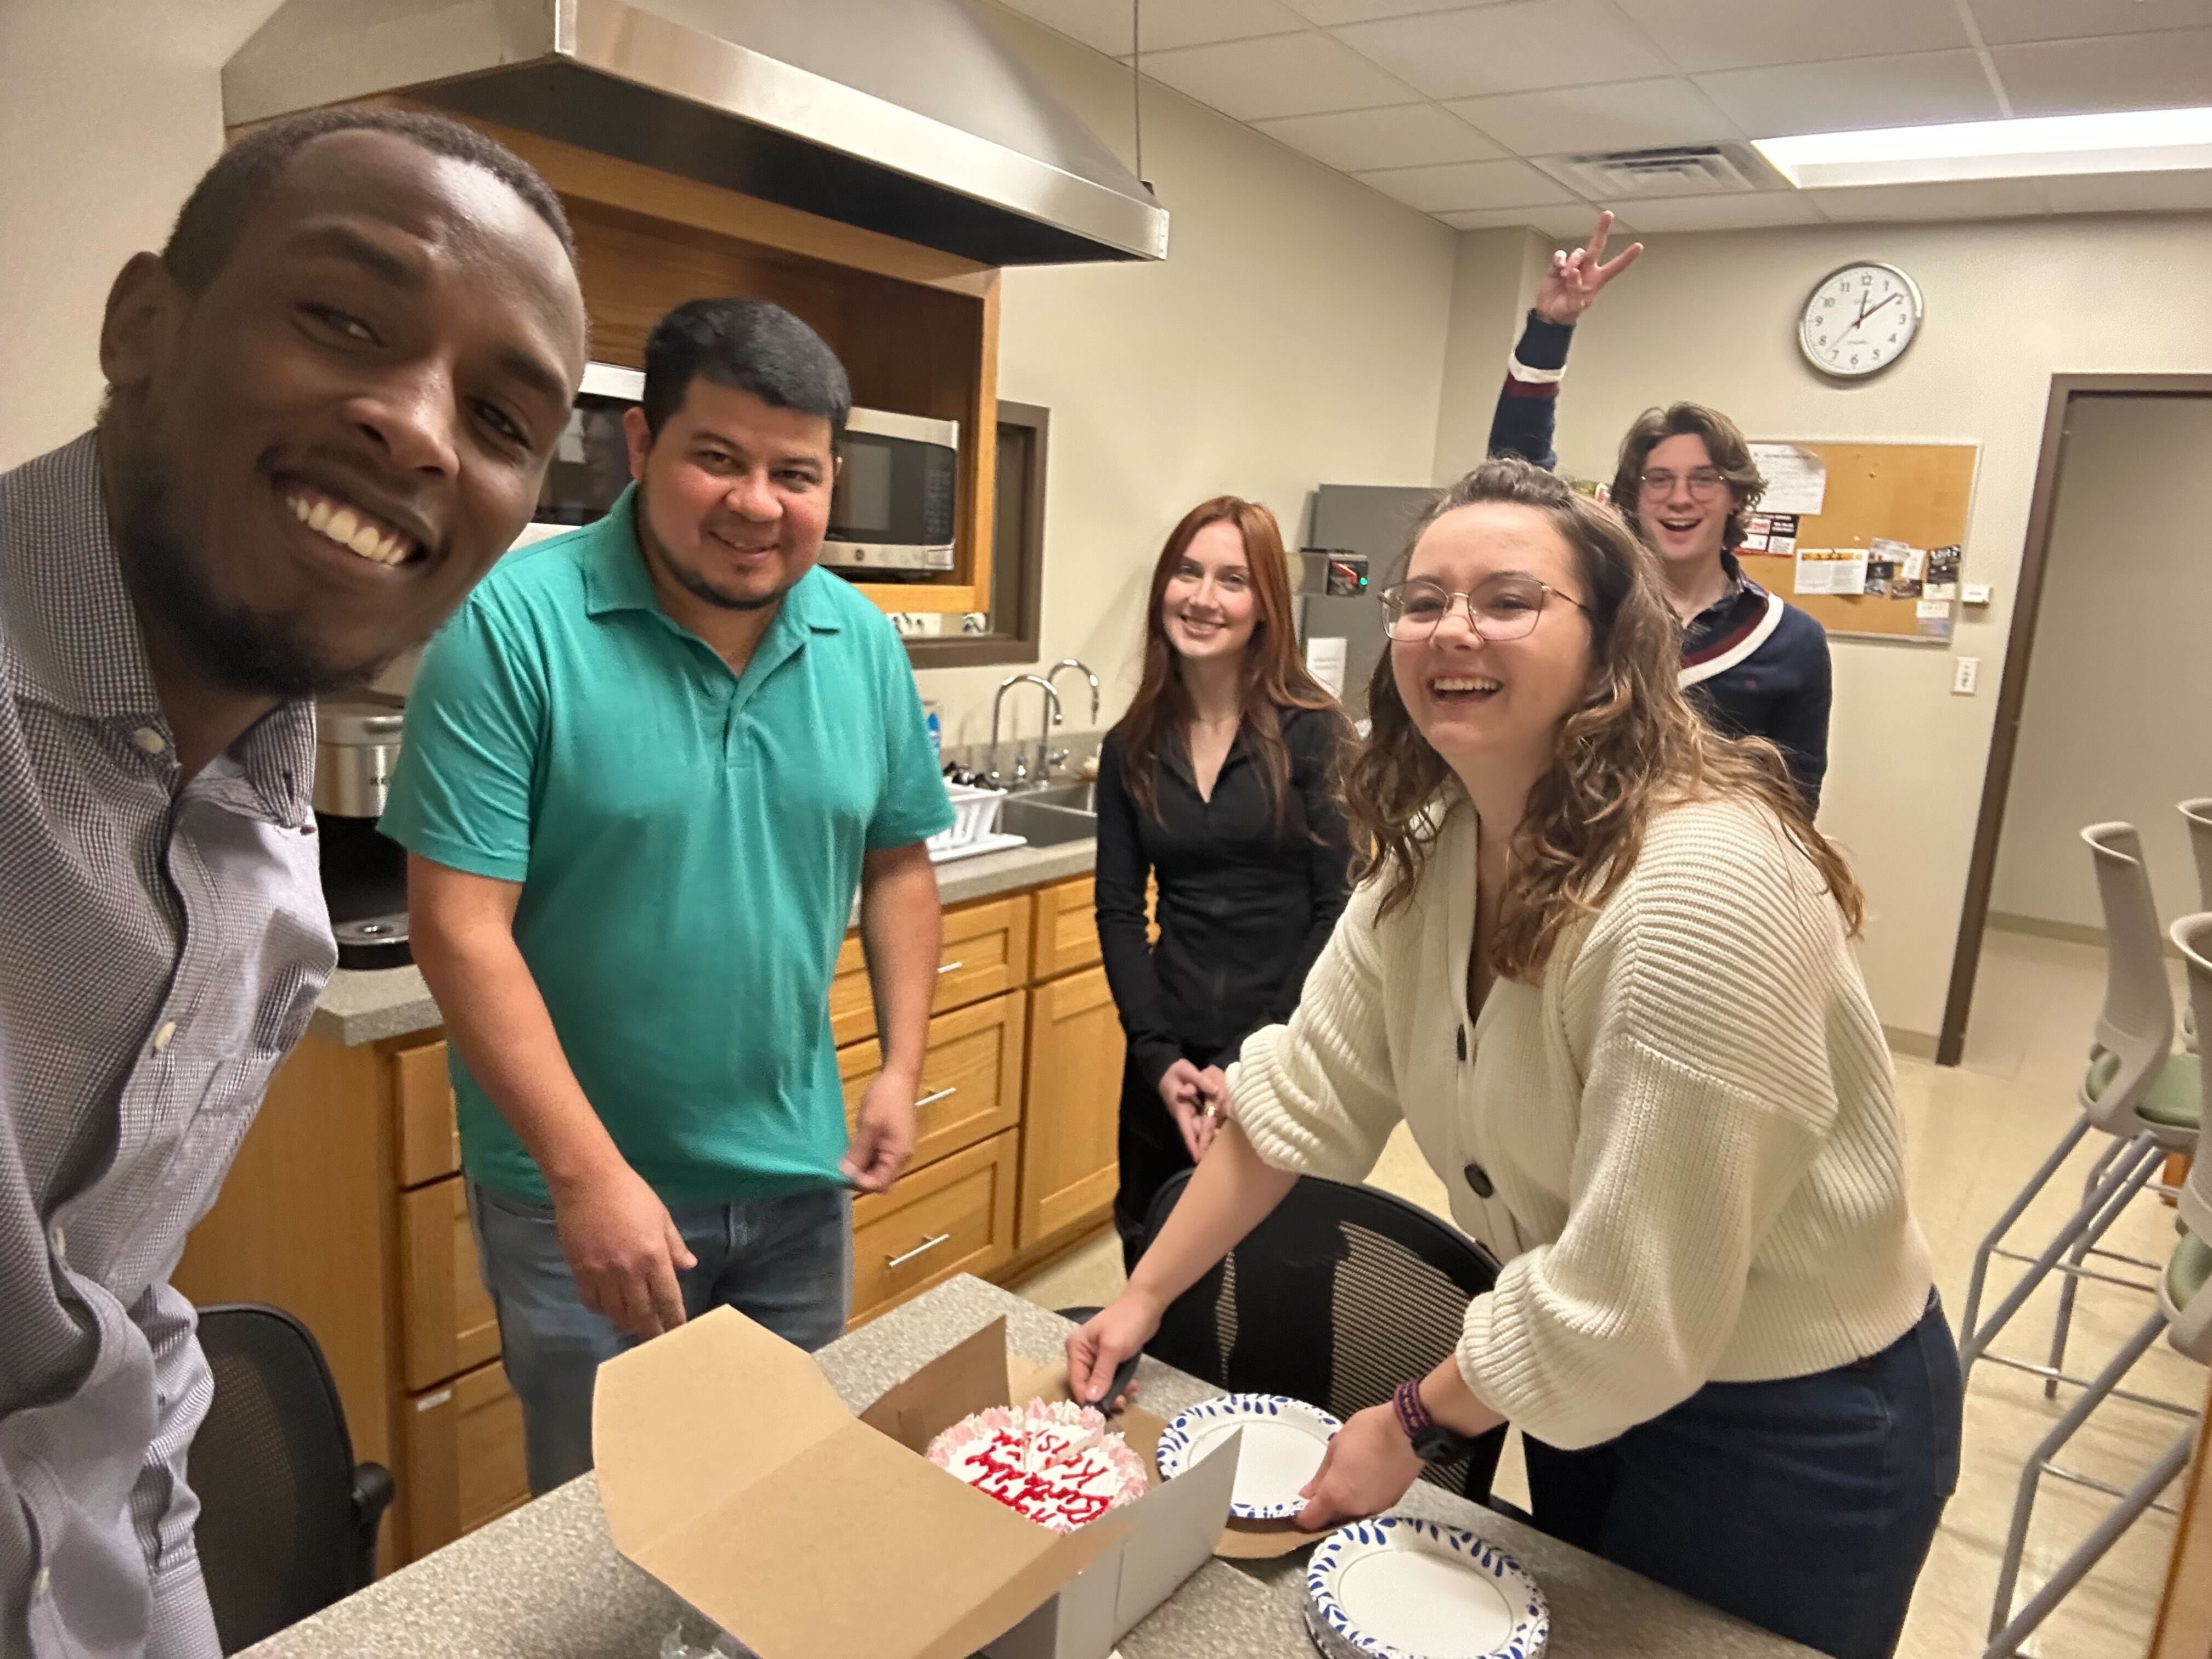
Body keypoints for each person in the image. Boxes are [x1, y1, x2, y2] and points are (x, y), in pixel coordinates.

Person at [1069, 459, 1958, 1659]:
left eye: (1508, 599)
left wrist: (1407, 1418)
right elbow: (1295, 1100)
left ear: (1610, 646)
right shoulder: (1435, 848)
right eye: (1423, 600)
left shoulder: (1704, 888)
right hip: (1589, 1379)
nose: (1453, 630)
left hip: (1790, 1424)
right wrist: (1140, 1298)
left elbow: (1628, 1299)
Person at [1, 108, 588, 1659]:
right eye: (344, 319)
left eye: (501, 418)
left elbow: (116, 1339)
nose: (420, 431)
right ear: (143, 324)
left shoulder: (268, 877)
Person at [383, 298, 954, 1496]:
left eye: (795, 473)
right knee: (609, 1523)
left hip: (797, 1176)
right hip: (581, 1194)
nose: (758, 503)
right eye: (719, 457)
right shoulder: (512, 630)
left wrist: (900, 1066)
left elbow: (899, 862)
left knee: (783, 1493)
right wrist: (587, 1177)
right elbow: (459, 928)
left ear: (832, 480)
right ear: (641, 445)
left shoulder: (859, 640)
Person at [1489, 212, 1834, 810]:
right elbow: (1516, 477)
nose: (1680, 498)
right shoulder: (1594, 602)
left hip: (1710, 861)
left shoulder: (1788, 638)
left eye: (1704, 480)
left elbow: (1796, 804)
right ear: (1634, 495)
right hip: (1573, 845)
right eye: (1660, 480)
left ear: (1735, 497)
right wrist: (1551, 329)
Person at [1093, 498, 1351, 1271]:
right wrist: (1156, 1054)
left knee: (1284, 1278)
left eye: (1233, 580)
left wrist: (1251, 1057)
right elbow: (1117, 910)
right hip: (1168, 1058)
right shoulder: (1132, 745)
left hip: (1285, 1052)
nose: (1203, 598)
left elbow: (1338, 908)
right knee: (1155, 1263)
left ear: (1265, 604)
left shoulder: (1314, 731)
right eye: (1188, 572)